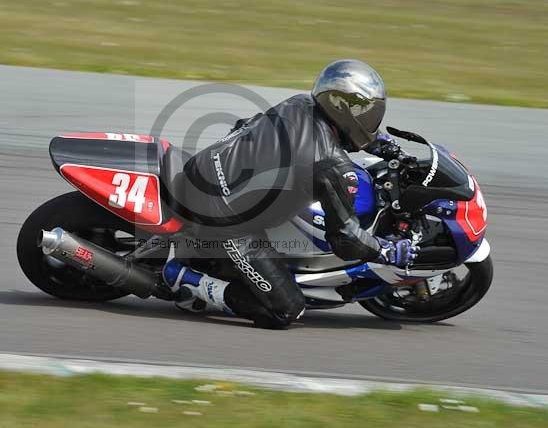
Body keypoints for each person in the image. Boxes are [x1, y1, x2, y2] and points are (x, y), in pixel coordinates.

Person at [162, 59, 418, 329]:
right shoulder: (331, 166)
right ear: (343, 110)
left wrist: (378, 142)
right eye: (366, 113)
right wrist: (385, 251)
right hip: (223, 220)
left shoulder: (298, 104)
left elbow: (244, 124)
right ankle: (182, 278)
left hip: (202, 167)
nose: (371, 119)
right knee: (286, 311)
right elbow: (345, 241)